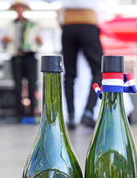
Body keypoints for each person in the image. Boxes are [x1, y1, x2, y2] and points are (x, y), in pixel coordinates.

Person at [58, 0, 103, 129]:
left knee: (70, 74)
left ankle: (71, 115)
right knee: (99, 70)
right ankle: (88, 111)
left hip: (68, 25)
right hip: (88, 24)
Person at [2, 1, 42, 120]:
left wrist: (39, 40)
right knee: (18, 84)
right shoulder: (10, 25)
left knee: (32, 83)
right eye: (17, 8)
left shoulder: (33, 25)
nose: (19, 10)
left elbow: (39, 41)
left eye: (21, 8)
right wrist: (5, 40)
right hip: (16, 56)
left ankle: (32, 112)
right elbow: (3, 40)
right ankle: (19, 112)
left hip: (30, 55)